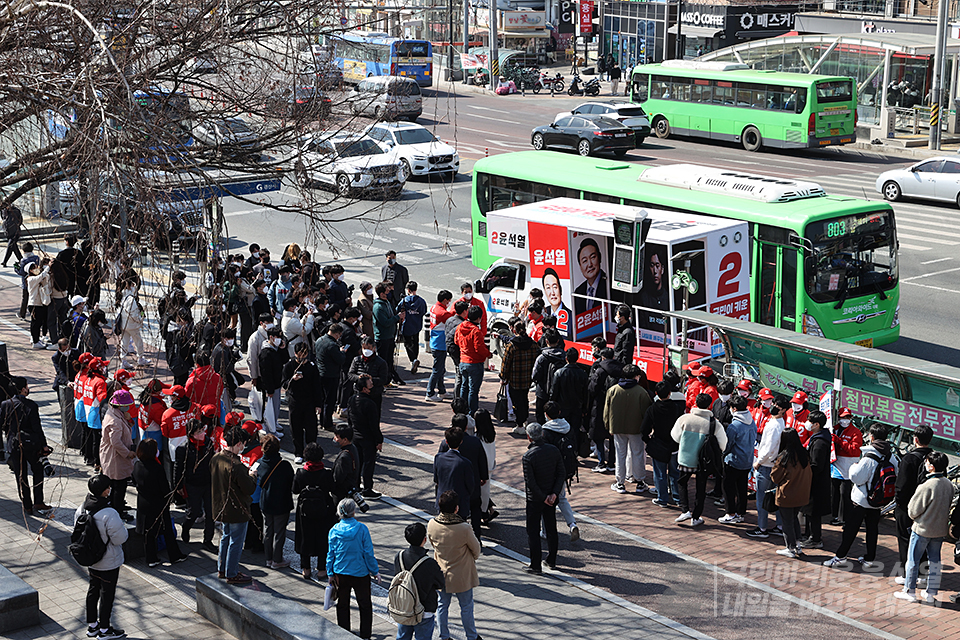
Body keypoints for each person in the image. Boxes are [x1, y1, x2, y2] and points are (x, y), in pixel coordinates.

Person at [823, 425, 899, 569]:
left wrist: (853, 466)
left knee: (850, 529)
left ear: (872, 436)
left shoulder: (869, 457)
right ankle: (870, 558)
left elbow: (856, 477)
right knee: (872, 529)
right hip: (878, 499)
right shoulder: (891, 456)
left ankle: (840, 557)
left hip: (862, 500)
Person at [895, 451, 952, 604]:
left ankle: (909, 590)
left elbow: (913, 510)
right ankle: (930, 593)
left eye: (927, 462)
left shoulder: (926, 486)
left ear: (932, 467)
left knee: (913, 560)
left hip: (922, 529)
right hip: (939, 530)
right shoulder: (948, 484)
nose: (925, 464)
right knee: (934, 562)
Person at [76, 474, 128, 640]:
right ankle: (105, 630)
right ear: (104, 491)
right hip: (109, 562)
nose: (110, 489)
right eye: (108, 487)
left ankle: (92, 626)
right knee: (107, 595)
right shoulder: (109, 513)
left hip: (91, 559)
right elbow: (120, 538)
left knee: (93, 591)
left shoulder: (82, 508)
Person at [427, 490, 482, 640]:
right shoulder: (463, 528)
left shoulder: (432, 524)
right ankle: (471, 636)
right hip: (462, 575)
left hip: (441, 572)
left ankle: (443, 635)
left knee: (442, 605)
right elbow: (476, 549)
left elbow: (433, 544)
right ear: (456, 508)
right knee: (466, 607)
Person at [327, 498, 380, 640]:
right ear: (354, 512)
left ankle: (344, 634)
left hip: (340, 573)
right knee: (365, 605)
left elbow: (330, 554)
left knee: (342, 605)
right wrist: (375, 571)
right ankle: (365, 635)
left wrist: (330, 573)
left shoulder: (334, 530)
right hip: (360, 573)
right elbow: (368, 553)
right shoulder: (362, 529)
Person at [672, 393, 728, 527]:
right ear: (709, 405)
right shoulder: (714, 423)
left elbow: (675, 436)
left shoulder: (684, 419)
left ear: (696, 403)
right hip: (704, 462)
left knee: (682, 482)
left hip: (685, 458)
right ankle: (696, 517)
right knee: (700, 488)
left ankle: (685, 510)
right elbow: (723, 444)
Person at [212, 426, 257, 584]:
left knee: (225, 538)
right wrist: (252, 476)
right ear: (239, 443)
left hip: (221, 506)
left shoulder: (216, 458)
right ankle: (232, 573)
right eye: (243, 443)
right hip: (237, 509)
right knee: (236, 542)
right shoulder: (237, 466)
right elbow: (249, 488)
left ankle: (222, 568)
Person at [132, 438, 187, 567]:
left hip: (143, 503)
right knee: (167, 530)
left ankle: (151, 558)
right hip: (158, 504)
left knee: (148, 533)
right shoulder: (157, 468)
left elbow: (135, 482)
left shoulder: (137, 465)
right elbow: (164, 489)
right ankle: (174, 555)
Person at [2, 376, 53, 515]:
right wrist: (44, 446)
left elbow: (3, 424)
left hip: (14, 444)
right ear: (23, 389)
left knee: (21, 475)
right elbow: (37, 427)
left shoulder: (6, 404)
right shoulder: (31, 405)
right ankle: (38, 501)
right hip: (32, 444)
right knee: (37, 471)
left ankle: (27, 505)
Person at [521, 422, 564, 574]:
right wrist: (553, 494)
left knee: (533, 531)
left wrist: (543, 497)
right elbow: (561, 474)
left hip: (535, 499)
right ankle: (551, 560)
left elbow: (530, 482)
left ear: (529, 437)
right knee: (551, 528)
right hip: (551, 497)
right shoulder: (554, 450)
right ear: (542, 435)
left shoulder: (528, 456)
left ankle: (535, 564)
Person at [893, 424, 934, 583]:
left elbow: (901, 487)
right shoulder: (935, 457)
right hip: (928, 507)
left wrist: (900, 504)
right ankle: (923, 575)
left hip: (908, 506)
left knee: (905, 539)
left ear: (915, 439)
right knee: (923, 540)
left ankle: (906, 574)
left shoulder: (909, 458)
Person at [605, 364, 653, 494]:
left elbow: (606, 411)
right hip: (636, 429)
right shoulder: (641, 392)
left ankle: (620, 482)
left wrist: (608, 426)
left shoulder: (613, 390)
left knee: (620, 454)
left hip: (617, 427)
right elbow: (646, 413)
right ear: (636, 377)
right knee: (637, 454)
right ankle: (640, 482)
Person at [293, 442, 337, 580]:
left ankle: (306, 568)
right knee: (323, 538)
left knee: (305, 537)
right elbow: (333, 489)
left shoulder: (301, 473)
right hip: (324, 510)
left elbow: (295, 490)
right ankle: (321, 569)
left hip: (304, 512)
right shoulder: (326, 474)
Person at [395, 522, 445, 640]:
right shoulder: (429, 563)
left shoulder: (399, 556)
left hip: (404, 606)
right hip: (424, 609)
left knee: (402, 637)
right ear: (425, 539)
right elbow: (440, 583)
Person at [174, 420, 216, 551]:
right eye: (198, 432)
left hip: (208, 483)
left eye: (202, 430)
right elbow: (178, 468)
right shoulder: (183, 448)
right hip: (193, 484)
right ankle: (186, 528)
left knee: (211, 513)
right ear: (191, 434)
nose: (202, 434)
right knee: (194, 512)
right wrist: (178, 486)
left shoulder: (208, 443)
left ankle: (208, 540)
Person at [542, 402, 580, 541]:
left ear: (546, 415)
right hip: (566, 468)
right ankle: (572, 524)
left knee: (546, 500)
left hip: (550, 470)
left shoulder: (546, 431)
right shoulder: (568, 427)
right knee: (562, 498)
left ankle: (545, 531)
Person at [771, 430, 812, 558]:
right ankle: (798, 545)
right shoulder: (804, 454)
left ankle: (790, 548)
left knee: (787, 521)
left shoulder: (784, 457)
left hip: (787, 495)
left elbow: (775, 477)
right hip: (802, 494)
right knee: (794, 519)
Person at [748, 401, 785, 539]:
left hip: (766, 465)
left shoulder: (775, 425)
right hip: (774, 465)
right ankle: (779, 526)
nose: (774, 407)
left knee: (761, 499)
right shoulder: (779, 422)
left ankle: (762, 528)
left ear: (783, 410)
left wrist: (758, 462)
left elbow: (769, 448)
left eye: (778, 406)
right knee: (776, 497)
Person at [642, 381, 682, 507]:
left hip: (658, 444)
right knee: (675, 473)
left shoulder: (652, 409)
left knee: (659, 474)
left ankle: (662, 498)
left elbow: (644, 429)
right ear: (670, 393)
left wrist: (648, 440)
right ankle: (677, 497)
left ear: (656, 393)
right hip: (674, 444)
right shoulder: (676, 408)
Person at [257, 434, 295, 569]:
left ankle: (268, 558)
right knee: (279, 532)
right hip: (282, 502)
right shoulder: (284, 465)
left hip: (266, 501)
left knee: (268, 530)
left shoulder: (261, 464)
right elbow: (292, 483)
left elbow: (259, 482)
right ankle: (277, 559)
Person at [717, 395, 756, 524]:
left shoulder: (735, 426)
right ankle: (740, 513)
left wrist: (722, 453)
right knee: (742, 489)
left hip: (733, 461)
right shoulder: (752, 421)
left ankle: (730, 513)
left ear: (734, 408)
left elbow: (727, 445)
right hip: (747, 461)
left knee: (728, 488)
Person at [99, 390, 138, 517]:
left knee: (118, 484)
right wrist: (128, 453)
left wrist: (129, 420)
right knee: (118, 486)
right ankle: (118, 510)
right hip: (115, 457)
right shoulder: (114, 420)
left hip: (116, 455)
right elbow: (116, 442)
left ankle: (119, 504)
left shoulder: (116, 414)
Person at [282, 342, 321, 461]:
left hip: (309, 401)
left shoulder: (312, 366)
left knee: (311, 429)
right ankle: (298, 452)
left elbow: (317, 386)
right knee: (296, 428)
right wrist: (292, 379)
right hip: (295, 401)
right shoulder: (289, 366)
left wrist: (318, 404)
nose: (302, 356)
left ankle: (311, 452)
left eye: (305, 354)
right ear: (295, 353)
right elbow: (284, 385)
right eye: (300, 354)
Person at [347, 374, 383, 499]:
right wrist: (379, 440)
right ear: (365, 389)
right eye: (370, 385)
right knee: (368, 463)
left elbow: (350, 419)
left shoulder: (352, 399)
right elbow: (374, 425)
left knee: (357, 462)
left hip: (356, 435)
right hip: (367, 438)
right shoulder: (370, 404)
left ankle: (356, 485)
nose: (372, 386)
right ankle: (367, 488)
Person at [799, 410, 832, 549]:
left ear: (817, 424)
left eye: (810, 422)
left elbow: (816, 465)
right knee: (809, 511)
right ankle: (808, 534)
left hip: (816, 482)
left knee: (814, 512)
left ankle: (815, 538)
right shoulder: (818, 437)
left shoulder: (820, 442)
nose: (808, 424)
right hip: (814, 480)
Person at [499, 317, 538, 429]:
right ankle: (524, 420)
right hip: (527, 379)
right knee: (524, 399)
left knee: (516, 402)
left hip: (514, 379)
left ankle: (520, 423)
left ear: (514, 330)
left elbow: (505, 363)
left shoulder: (512, 345)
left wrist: (503, 377)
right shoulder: (533, 344)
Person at [587, 347, 622, 473]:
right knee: (613, 436)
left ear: (602, 357)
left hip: (600, 405)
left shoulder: (599, 370)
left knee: (598, 434)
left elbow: (592, 389)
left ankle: (601, 462)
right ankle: (611, 462)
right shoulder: (620, 369)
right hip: (616, 406)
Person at [434, 425, 475, 522]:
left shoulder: (438, 458)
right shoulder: (465, 462)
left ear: (446, 441)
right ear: (461, 441)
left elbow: (437, 480)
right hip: (459, 503)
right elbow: (470, 486)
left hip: (442, 501)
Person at [551, 347, 589, 452]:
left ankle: (563, 450)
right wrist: (585, 409)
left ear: (566, 358)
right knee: (575, 430)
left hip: (562, 407)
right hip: (577, 408)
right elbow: (586, 394)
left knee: (562, 430)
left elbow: (554, 392)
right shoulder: (583, 373)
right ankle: (574, 451)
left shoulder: (559, 373)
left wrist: (552, 405)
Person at [456, 305, 491, 415]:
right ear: (478, 318)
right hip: (475, 363)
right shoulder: (476, 331)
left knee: (464, 386)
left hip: (463, 361)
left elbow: (456, 341)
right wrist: (488, 354)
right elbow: (479, 348)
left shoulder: (460, 327)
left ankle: (462, 410)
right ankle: (472, 412)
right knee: (473, 390)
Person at [831, 407, 863, 526]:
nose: (845, 420)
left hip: (848, 466)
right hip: (835, 464)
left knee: (845, 492)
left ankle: (845, 517)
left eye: (847, 417)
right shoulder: (834, 429)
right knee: (835, 491)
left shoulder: (855, 432)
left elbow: (854, 450)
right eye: (843, 417)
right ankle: (834, 515)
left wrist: (840, 441)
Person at [315, 322, 347, 432]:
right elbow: (340, 360)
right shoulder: (332, 345)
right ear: (337, 334)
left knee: (323, 399)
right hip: (331, 375)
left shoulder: (319, 340)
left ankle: (323, 421)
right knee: (330, 400)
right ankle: (327, 423)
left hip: (320, 373)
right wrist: (342, 352)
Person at [258, 326, 289, 436]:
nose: (280, 339)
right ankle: (271, 430)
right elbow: (266, 373)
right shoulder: (266, 353)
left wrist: (283, 348)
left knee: (276, 407)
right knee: (270, 409)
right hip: (272, 385)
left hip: (277, 383)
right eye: (278, 337)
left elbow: (285, 359)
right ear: (271, 337)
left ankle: (274, 424)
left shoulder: (276, 349)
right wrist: (269, 389)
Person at [373, 281, 405, 386]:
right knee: (383, 361)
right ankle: (382, 382)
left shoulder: (386, 302)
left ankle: (388, 379)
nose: (389, 293)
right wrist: (397, 317)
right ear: (382, 293)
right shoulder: (378, 307)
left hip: (390, 336)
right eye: (387, 291)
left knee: (389, 360)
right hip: (383, 338)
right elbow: (385, 322)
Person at [531, 329, 565, 427]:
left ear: (546, 341)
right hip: (558, 392)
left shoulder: (542, 357)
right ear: (558, 341)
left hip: (542, 391)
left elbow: (534, 375)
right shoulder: (564, 356)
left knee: (540, 415)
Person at [427, 290, 455, 401]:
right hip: (440, 344)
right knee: (437, 370)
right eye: (449, 301)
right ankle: (430, 393)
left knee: (440, 369)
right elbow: (452, 318)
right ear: (444, 300)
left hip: (436, 342)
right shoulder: (443, 313)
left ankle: (441, 390)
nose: (449, 303)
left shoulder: (435, 307)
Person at [347, 337, 389, 410]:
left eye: (369, 348)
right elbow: (350, 375)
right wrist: (359, 378)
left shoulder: (381, 362)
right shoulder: (357, 360)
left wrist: (370, 380)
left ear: (374, 348)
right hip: (358, 393)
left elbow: (384, 379)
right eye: (364, 348)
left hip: (374, 394)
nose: (366, 350)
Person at [117, 279, 151, 367]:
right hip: (132, 325)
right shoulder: (131, 299)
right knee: (138, 341)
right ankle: (140, 358)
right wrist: (141, 319)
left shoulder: (123, 297)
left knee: (124, 343)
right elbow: (134, 315)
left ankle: (123, 361)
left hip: (123, 325)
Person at [397, 281, 426, 374]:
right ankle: (415, 358)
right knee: (415, 342)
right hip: (417, 325)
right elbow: (424, 311)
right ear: (416, 289)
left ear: (408, 290)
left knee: (407, 344)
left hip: (406, 325)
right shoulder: (421, 301)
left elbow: (397, 310)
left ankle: (413, 360)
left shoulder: (404, 301)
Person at [572, 238, 607, 318]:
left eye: (593, 257)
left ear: (600, 257)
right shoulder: (578, 292)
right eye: (585, 261)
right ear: (580, 266)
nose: (590, 264)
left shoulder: (608, 285)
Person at [474, 409, 498, 523]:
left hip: (482, 468)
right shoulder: (491, 433)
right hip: (490, 465)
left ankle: (484, 513)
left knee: (481, 492)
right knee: (485, 491)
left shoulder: (478, 437)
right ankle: (489, 510)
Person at [446, 300, 469, 398]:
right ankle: (458, 398)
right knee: (460, 375)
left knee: (458, 373)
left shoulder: (450, 320)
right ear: (464, 311)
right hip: (457, 351)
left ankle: (458, 397)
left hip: (450, 349)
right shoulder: (462, 324)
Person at [332, 425, 360, 503]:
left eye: (337, 437)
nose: (334, 438)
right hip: (350, 488)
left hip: (341, 493)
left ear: (345, 439)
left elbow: (337, 478)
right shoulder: (353, 448)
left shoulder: (344, 457)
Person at [541, 269, 572, 338]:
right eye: (548, 288)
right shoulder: (543, 313)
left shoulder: (571, 316)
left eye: (555, 287)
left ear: (560, 290)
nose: (552, 293)